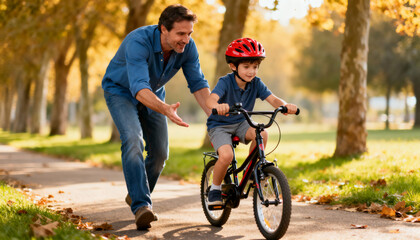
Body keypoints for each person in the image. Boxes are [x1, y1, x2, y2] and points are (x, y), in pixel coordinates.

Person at [102, 4, 210, 230]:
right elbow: (139, 88)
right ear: (163, 29)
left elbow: (198, 85)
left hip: (154, 95)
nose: (186, 39)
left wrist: (215, 115)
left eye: (189, 33)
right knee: (133, 139)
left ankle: (136, 192)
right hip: (121, 92)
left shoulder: (187, 48)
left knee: (160, 153)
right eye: (180, 34)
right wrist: (165, 109)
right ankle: (142, 206)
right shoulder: (138, 41)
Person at [205, 38, 298, 205]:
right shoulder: (225, 82)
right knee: (226, 156)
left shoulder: (256, 83)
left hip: (242, 122)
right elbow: (210, 100)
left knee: (262, 133)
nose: (251, 71)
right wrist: (217, 106)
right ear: (233, 66)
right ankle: (215, 188)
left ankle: (250, 172)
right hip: (220, 125)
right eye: (246, 67)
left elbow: (273, 99)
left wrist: (285, 106)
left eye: (255, 67)